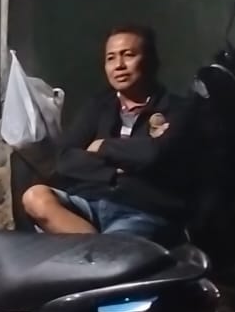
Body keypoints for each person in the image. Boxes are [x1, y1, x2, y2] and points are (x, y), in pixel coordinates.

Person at [19, 24, 194, 245]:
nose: (119, 65)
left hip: (141, 211)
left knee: (115, 248)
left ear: (151, 61)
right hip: (88, 203)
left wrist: (101, 146)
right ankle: (101, 251)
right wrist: (116, 171)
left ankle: (100, 252)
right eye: (111, 58)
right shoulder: (98, 106)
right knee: (35, 197)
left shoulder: (178, 109)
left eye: (128, 55)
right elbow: (64, 159)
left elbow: (154, 154)